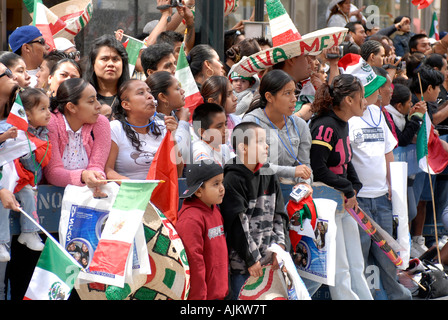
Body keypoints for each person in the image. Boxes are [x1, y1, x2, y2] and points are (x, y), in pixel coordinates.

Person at [339, 53, 411, 299]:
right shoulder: (348, 119)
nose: (379, 93)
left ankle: (394, 295)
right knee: (360, 256)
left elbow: (387, 151)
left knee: (387, 257)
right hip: (358, 201)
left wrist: (392, 186)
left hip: (381, 197)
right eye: (373, 89)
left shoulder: (379, 115)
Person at [310, 73, 372, 300]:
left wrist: (354, 186)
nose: (365, 102)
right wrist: (347, 188)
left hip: (345, 201)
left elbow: (345, 162)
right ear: (348, 100)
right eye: (362, 97)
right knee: (340, 266)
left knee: (356, 262)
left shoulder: (343, 124)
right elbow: (319, 168)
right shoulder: (325, 125)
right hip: (328, 203)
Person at [220, 121, 288, 299]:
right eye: (260, 142)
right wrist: (252, 259)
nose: (266, 146)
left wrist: (280, 248)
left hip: (271, 262)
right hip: (245, 266)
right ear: (243, 148)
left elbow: (279, 214)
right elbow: (237, 224)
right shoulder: (232, 179)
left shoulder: (268, 173)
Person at [0, 87, 52, 261]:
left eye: (49, 108)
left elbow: (36, 166)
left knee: (30, 194)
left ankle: (29, 232)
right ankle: (2, 242)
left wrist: (28, 155)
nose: (48, 113)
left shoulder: (43, 134)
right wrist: (4, 137)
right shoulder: (9, 127)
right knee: (4, 201)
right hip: (4, 177)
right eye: (42, 109)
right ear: (27, 114)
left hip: (22, 179)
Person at [242, 69, 312, 187]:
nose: (294, 99)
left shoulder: (300, 125)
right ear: (269, 97)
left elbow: (304, 164)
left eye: (294, 92)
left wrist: (305, 184)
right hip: (259, 191)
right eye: (287, 93)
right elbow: (253, 165)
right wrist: (292, 171)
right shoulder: (251, 123)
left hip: (292, 191)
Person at [44, 78, 110, 198]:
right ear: (71, 107)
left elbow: (97, 165)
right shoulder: (51, 123)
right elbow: (52, 172)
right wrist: (83, 176)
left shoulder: (101, 122)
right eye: (91, 101)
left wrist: (97, 177)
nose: (99, 106)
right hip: (52, 197)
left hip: (87, 195)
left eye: (96, 99)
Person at [105, 79, 181, 181]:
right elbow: (108, 170)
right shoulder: (115, 128)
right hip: (130, 192)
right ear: (126, 105)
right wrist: (129, 183)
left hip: (160, 192)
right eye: (141, 93)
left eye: (149, 92)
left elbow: (178, 173)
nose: (150, 96)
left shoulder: (163, 126)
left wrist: (173, 137)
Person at [176, 160, 228, 300]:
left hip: (219, 292)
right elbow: (193, 264)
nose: (222, 188)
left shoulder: (214, 209)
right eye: (216, 184)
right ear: (199, 191)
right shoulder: (190, 220)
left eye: (222, 182)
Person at [146, 71, 191, 162]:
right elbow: (179, 154)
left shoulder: (176, 115)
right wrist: (183, 121)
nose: (183, 91)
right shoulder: (150, 123)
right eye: (177, 88)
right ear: (163, 97)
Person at [84, 34, 130, 112]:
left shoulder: (132, 97)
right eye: (104, 59)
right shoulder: (81, 96)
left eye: (115, 59)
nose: (110, 64)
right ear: (93, 64)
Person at [200, 75, 240, 151]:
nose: (235, 98)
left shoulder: (237, 120)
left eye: (233, 93)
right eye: (228, 95)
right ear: (212, 102)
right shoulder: (206, 130)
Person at [191, 102, 234, 167]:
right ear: (203, 133)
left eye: (225, 124)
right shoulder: (199, 150)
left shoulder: (224, 148)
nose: (225, 130)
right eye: (219, 126)